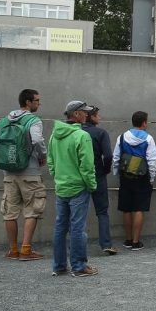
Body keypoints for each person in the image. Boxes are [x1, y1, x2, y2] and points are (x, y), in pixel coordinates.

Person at [0, 88, 47, 261]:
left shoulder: (4, 121)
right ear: (28, 102)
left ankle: (13, 250)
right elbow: (37, 140)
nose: (39, 103)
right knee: (32, 209)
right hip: (29, 171)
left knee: (10, 212)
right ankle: (26, 250)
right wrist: (42, 156)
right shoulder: (33, 120)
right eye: (37, 100)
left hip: (8, 172)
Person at [49, 101, 98, 277]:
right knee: (77, 227)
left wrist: (58, 178)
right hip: (78, 187)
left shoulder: (55, 135)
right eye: (84, 112)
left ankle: (59, 266)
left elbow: (51, 161)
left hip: (61, 187)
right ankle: (79, 266)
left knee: (60, 227)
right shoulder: (82, 136)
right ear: (76, 114)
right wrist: (91, 185)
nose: (87, 115)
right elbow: (87, 166)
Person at [113, 111, 156, 251]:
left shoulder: (121, 137)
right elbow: (152, 161)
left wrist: (117, 174)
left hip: (125, 176)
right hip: (142, 177)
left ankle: (127, 239)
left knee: (126, 209)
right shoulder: (149, 139)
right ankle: (135, 241)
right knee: (139, 208)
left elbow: (116, 158)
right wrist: (151, 178)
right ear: (144, 122)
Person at [81, 105, 116, 255]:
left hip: (80, 175)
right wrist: (105, 169)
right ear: (92, 117)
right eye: (97, 115)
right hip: (97, 174)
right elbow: (108, 156)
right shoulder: (100, 133)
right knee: (102, 211)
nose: (100, 118)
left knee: (79, 212)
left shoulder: (77, 132)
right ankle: (106, 244)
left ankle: (76, 246)